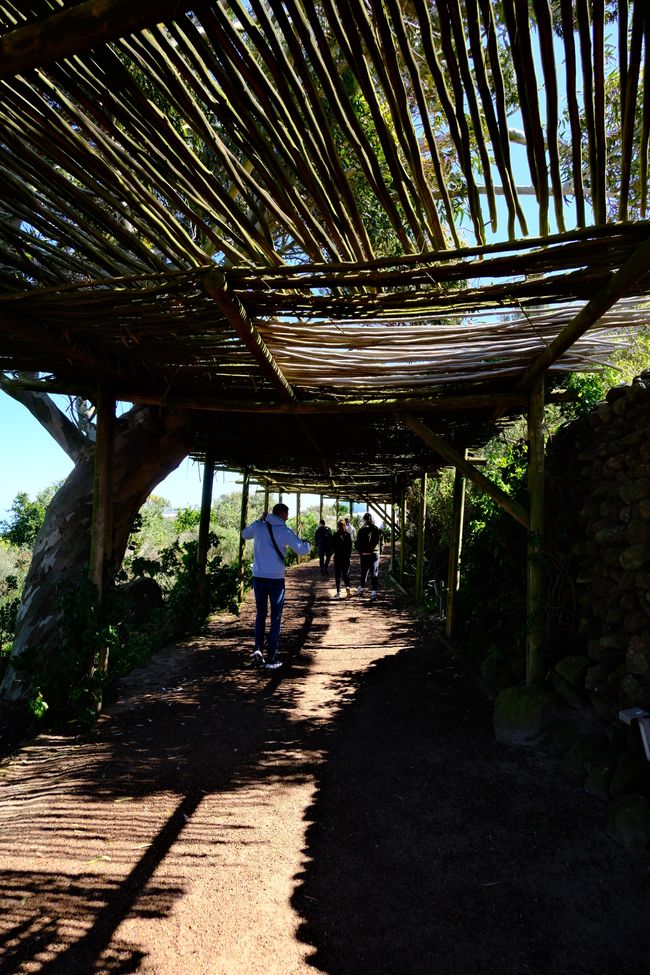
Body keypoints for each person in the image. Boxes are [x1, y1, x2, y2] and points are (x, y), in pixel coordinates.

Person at [241, 503, 310, 670]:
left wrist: (259, 519)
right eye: (286, 514)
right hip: (276, 579)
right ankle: (271, 658)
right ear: (281, 513)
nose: (287, 517)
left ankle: (258, 649)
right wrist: (307, 544)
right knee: (276, 617)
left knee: (260, 614)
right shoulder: (285, 531)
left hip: (258, 577)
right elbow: (302, 551)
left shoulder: (259, 526)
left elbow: (244, 534)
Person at [355, 511, 383, 603]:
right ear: (371, 519)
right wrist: (380, 552)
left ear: (364, 520)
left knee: (364, 571)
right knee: (374, 573)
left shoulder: (361, 530)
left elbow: (357, 543)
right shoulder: (377, 529)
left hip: (365, 554)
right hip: (375, 553)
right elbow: (381, 543)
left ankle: (361, 589)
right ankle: (374, 593)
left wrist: (361, 552)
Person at [332, 518, 353, 598]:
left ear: (338, 526)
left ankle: (338, 592)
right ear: (344, 526)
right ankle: (348, 590)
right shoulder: (348, 535)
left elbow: (333, 546)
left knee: (337, 574)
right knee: (346, 573)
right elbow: (350, 547)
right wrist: (348, 555)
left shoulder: (335, 535)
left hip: (337, 557)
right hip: (346, 557)